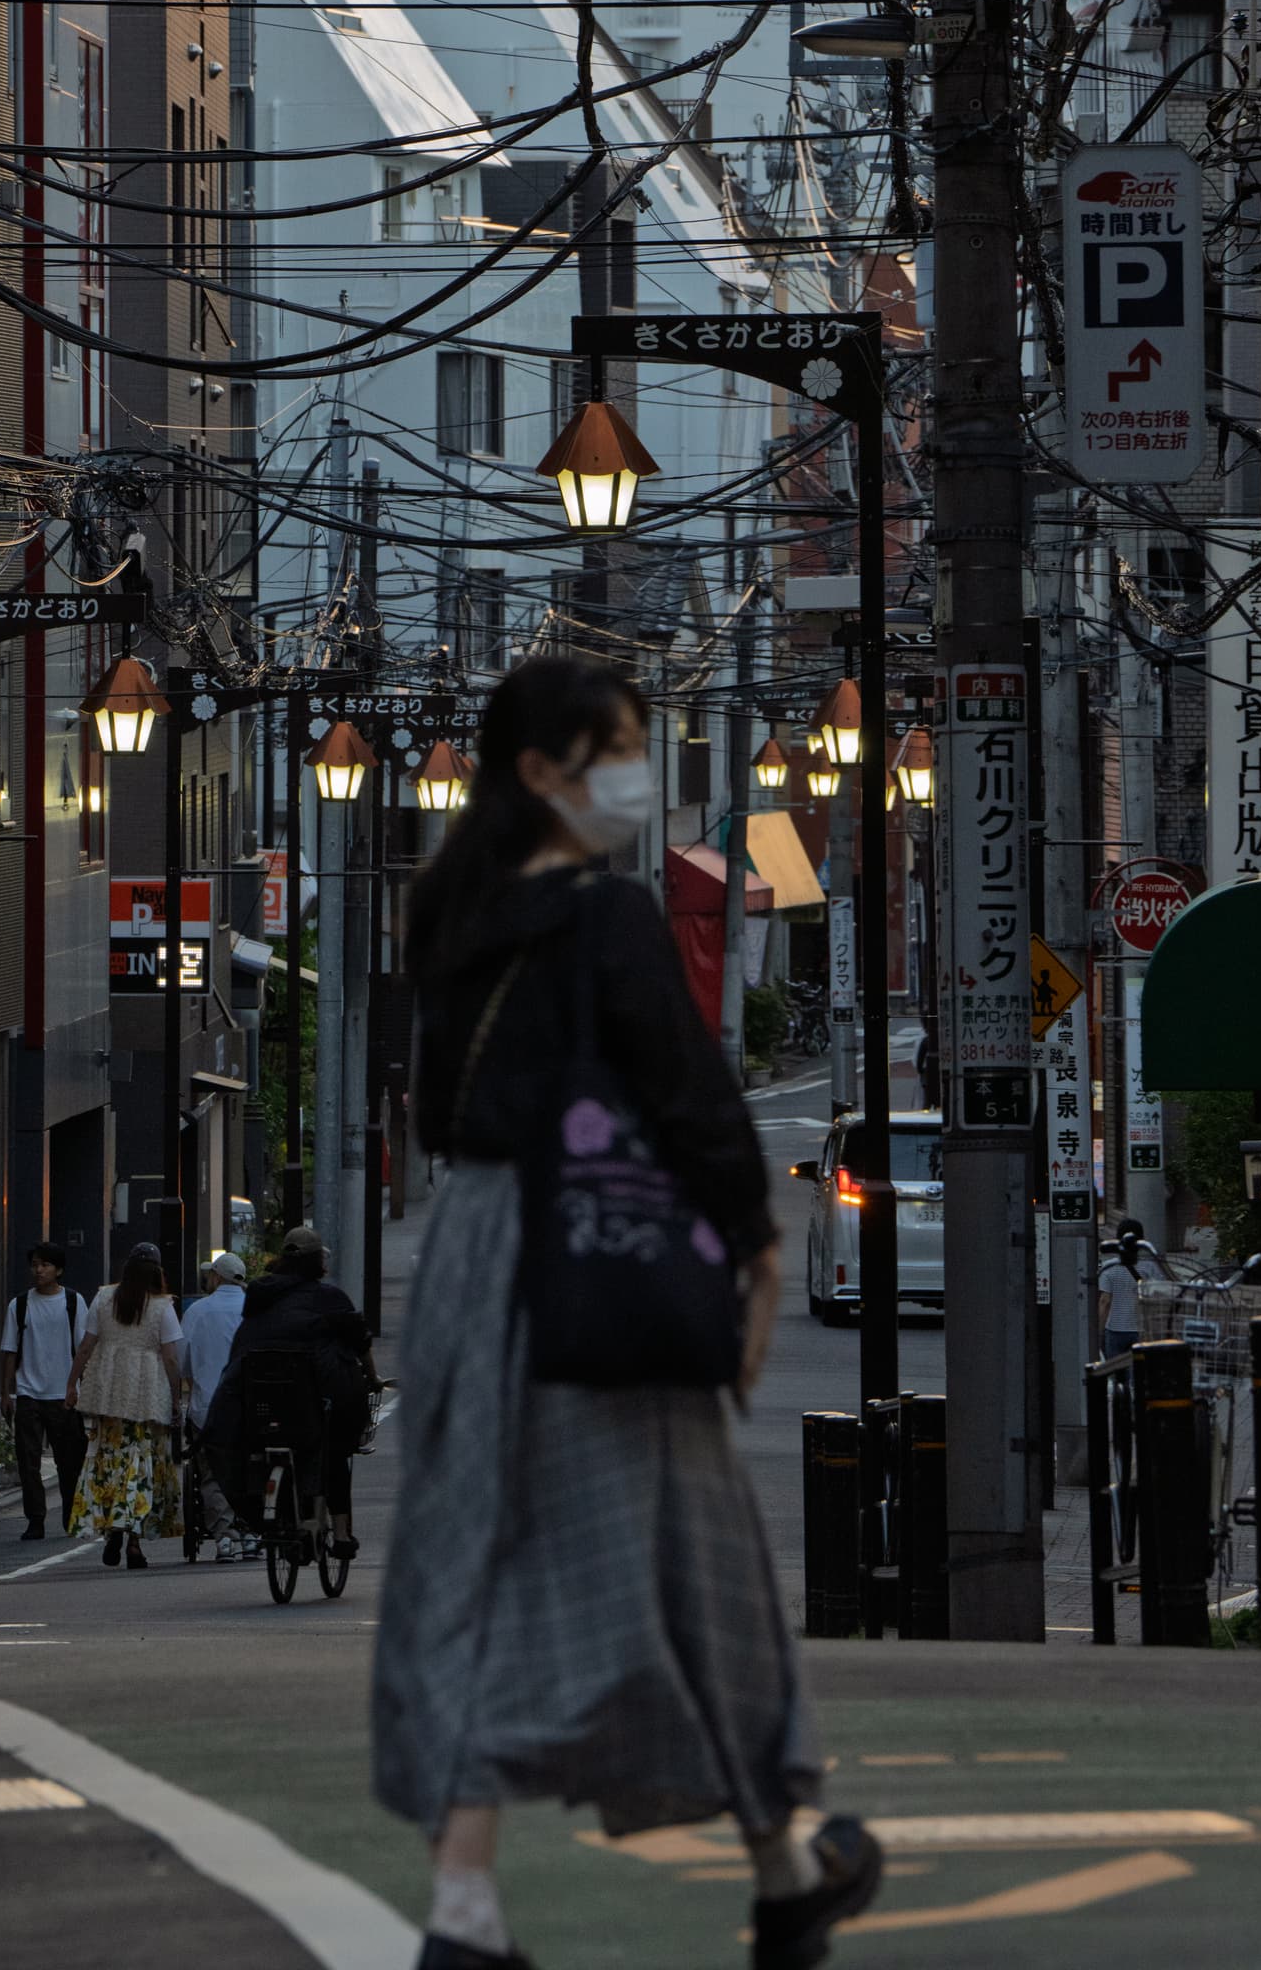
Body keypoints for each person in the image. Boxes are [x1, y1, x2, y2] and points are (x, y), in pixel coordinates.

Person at [372, 653, 881, 1970]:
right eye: (615, 750)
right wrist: (761, 1244)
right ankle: (777, 1856)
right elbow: (691, 1093)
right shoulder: (605, 921)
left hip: (475, 1253)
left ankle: (467, 1907)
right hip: (597, 1260)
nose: (634, 777)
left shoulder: (446, 912)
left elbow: (437, 1109)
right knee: (687, 1564)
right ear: (543, 772)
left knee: (466, 1563)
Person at [225, 1226, 376, 1552]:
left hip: (262, 1400)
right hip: (313, 1402)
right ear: (318, 1261)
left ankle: (277, 1517)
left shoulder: (258, 1298)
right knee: (334, 1453)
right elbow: (360, 1339)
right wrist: (372, 1378)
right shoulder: (329, 1298)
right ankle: (340, 1533)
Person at [66, 1244, 186, 1566]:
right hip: (148, 1392)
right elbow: (171, 1358)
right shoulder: (162, 1307)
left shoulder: (104, 1298)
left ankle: (112, 1531)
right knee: (142, 1464)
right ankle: (134, 1540)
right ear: (158, 1272)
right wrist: (176, 1399)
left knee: (109, 1462)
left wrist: (72, 1384)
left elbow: (86, 1346)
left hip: (109, 1390)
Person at [0, 1242, 87, 1543]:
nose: (38, 1270)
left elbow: (84, 1350)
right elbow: (9, 1350)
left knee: (69, 1461)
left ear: (58, 1270)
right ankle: (35, 1519)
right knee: (28, 1462)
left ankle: (69, 1516)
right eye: (35, 1264)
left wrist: (77, 1387)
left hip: (63, 1394)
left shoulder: (73, 1302)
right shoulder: (19, 1305)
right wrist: (6, 1393)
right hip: (28, 1392)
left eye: (45, 1265)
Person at [181, 1250, 252, 1560]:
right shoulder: (253, 1310)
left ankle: (224, 1536)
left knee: (211, 1474)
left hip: (206, 1407)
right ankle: (251, 1532)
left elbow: (183, 1363)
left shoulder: (197, 1312)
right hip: (248, 1407)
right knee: (250, 1468)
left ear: (216, 1278)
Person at [1099, 1230, 1146, 1359]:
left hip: (1114, 1330)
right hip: (1140, 1329)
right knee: (1138, 1372)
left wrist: (1098, 1331)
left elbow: (1105, 1301)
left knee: (1113, 1369)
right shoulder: (1149, 1267)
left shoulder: (1109, 1267)